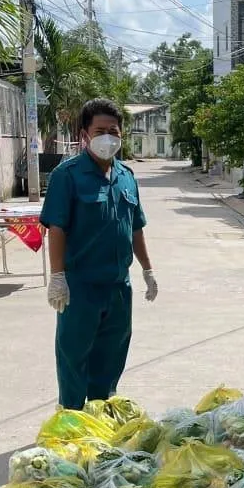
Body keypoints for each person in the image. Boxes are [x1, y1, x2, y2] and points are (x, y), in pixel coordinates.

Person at [40, 98, 157, 410]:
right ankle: (72, 419)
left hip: (119, 287)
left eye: (114, 131)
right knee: (74, 358)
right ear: (84, 135)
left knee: (111, 357)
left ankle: (100, 413)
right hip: (80, 287)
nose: (109, 138)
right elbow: (57, 228)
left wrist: (147, 270)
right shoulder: (68, 176)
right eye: (101, 131)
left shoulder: (126, 176)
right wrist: (58, 277)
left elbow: (135, 228)